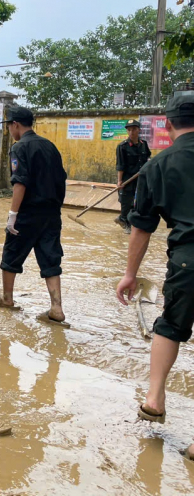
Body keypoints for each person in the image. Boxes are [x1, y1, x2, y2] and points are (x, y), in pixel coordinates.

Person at [116, 91, 194, 457]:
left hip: (186, 261)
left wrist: (130, 274)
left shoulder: (156, 165)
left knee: (170, 326)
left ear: (166, 123)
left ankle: (155, 396)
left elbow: (141, 228)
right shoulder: (144, 159)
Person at [0, 106, 68, 326]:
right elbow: (61, 180)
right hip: (51, 213)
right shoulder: (50, 146)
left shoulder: (19, 147)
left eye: (9, 126)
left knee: (10, 254)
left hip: (28, 213)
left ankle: (7, 298)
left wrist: (12, 214)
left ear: (15, 125)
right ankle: (56, 308)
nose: (10, 131)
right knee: (50, 258)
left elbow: (20, 182)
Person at [115, 119, 151, 233]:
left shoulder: (143, 144)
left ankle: (128, 221)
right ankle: (124, 221)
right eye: (129, 130)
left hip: (140, 178)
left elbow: (148, 158)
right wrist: (119, 181)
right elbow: (120, 165)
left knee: (138, 201)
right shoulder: (122, 146)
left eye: (134, 129)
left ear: (139, 130)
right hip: (128, 179)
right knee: (126, 201)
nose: (131, 132)